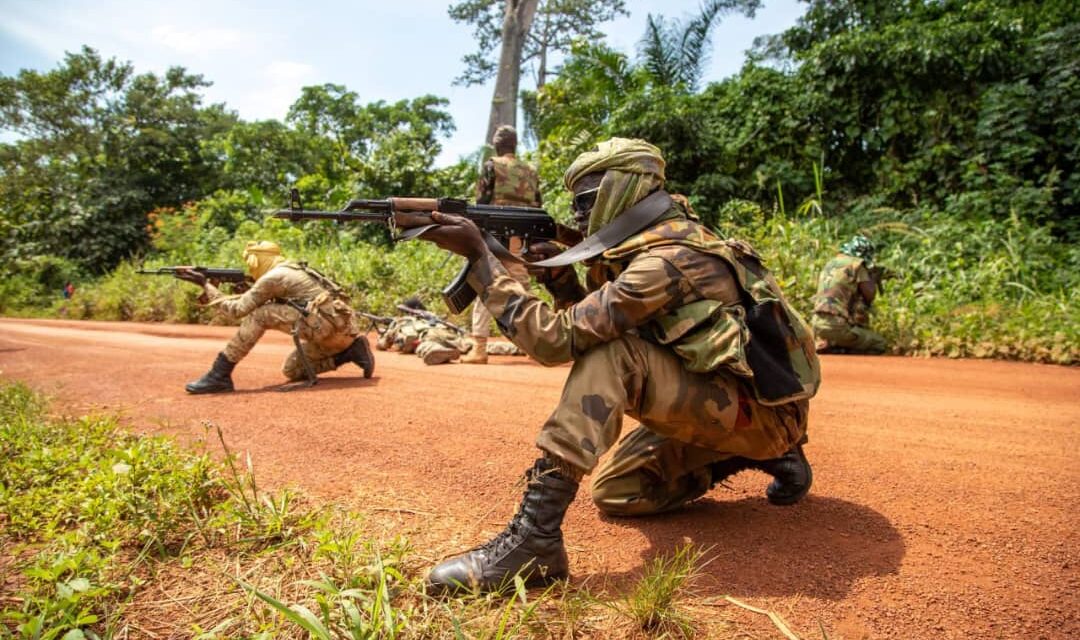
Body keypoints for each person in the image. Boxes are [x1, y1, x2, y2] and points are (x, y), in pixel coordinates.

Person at [417, 138, 821, 594]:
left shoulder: (668, 260)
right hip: (736, 395)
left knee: (613, 356)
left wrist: (482, 260)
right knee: (618, 493)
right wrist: (562, 279)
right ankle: (761, 454)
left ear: (624, 190)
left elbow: (557, 342)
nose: (577, 218)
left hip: (760, 412)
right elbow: (598, 323)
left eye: (587, 202)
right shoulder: (650, 244)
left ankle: (535, 538)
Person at [176, 241, 374, 393]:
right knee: (292, 370)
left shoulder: (274, 277)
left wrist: (205, 284)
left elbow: (236, 311)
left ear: (254, 260)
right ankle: (349, 353)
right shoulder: (294, 269)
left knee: (259, 315)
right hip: (342, 333)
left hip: (325, 328)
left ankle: (220, 373)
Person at [461, 124, 540, 364]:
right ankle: (533, 344)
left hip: (494, 234)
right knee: (522, 285)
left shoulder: (491, 166)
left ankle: (479, 347)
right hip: (520, 235)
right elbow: (537, 204)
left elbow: (481, 202)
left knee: (486, 282)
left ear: (496, 145)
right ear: (515, 145)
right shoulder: (530, 170)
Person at [810, 235, 888, 354]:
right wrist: (872, 278)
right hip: (837, 327)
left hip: (816, 325)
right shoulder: (857, 265)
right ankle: (844, 349)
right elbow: (869, 294)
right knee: (879, 343)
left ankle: (834, 345)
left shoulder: (831, 263)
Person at [376, 298, 474, 365]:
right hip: (444, 332)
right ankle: (484, 347)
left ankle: (439, 351)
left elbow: (383, 344)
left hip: (427, 336)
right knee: (468, 344)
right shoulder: (433, 317)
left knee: (423, 345)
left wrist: (381, 337)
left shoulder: (403, 321)